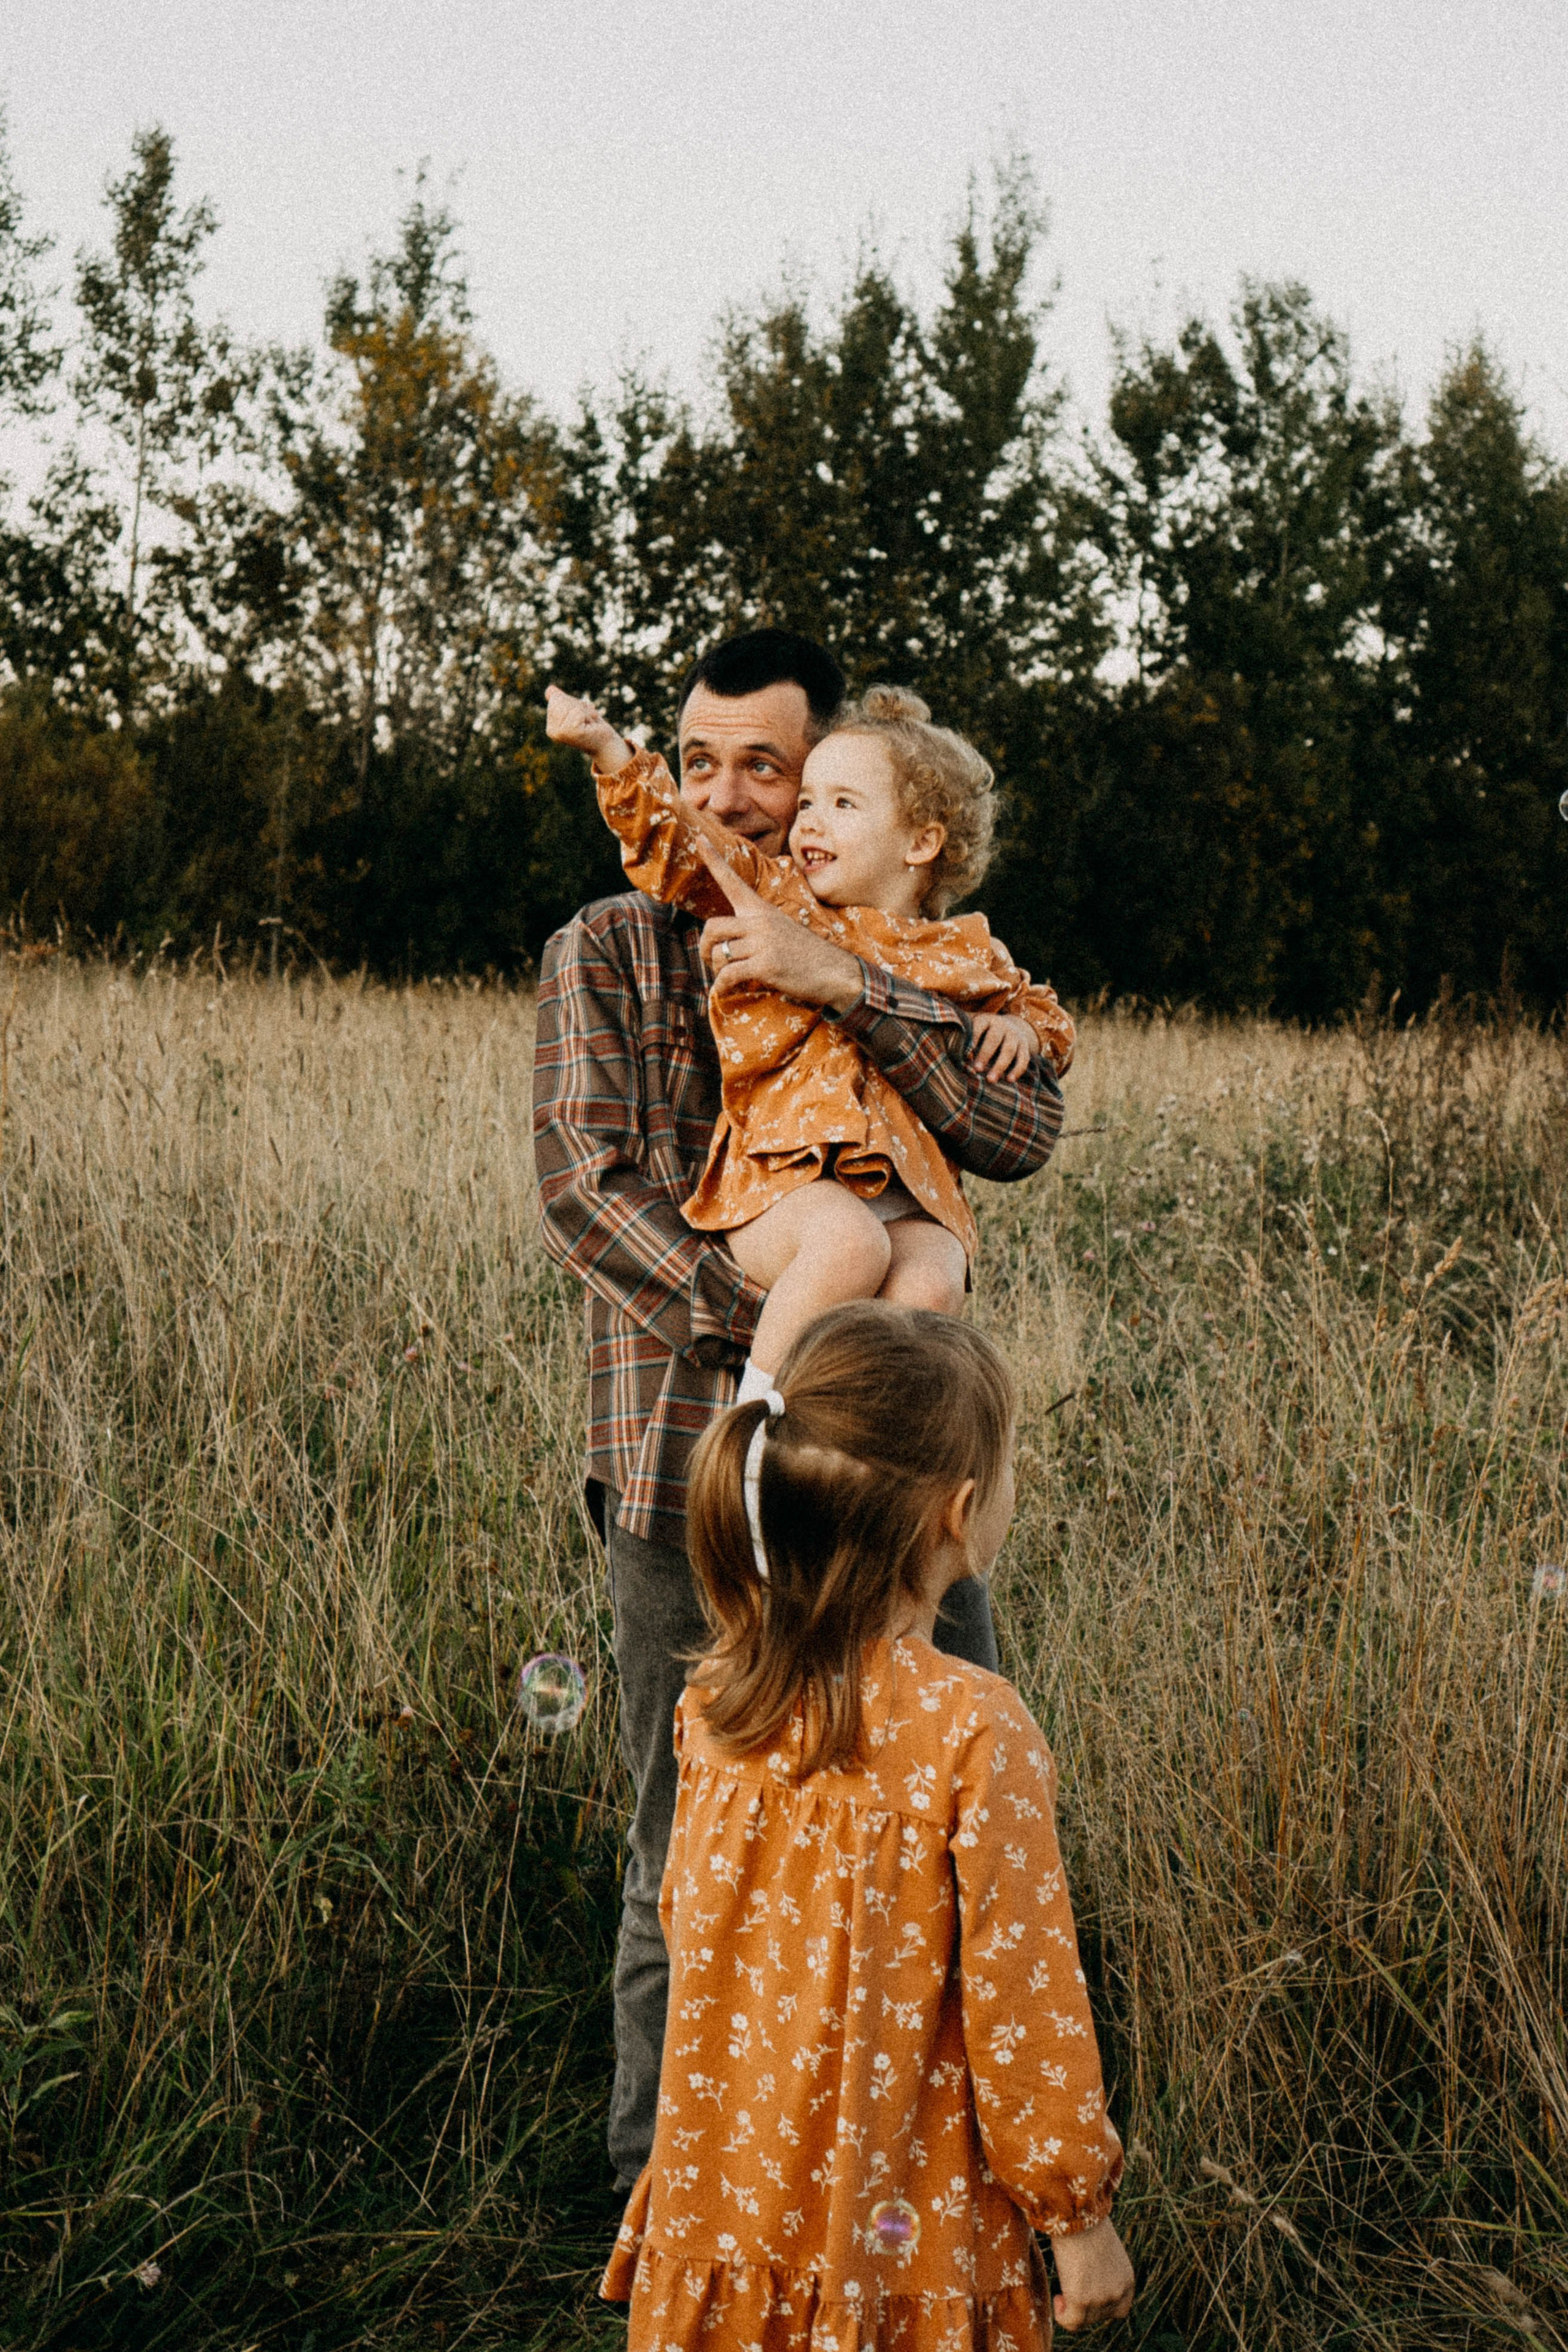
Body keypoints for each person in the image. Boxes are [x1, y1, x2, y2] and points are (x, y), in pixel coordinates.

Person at [532, 628, 1071, 2192]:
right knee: (684, 1846)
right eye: (698, 762)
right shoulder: (613, 945)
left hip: (897, 1488)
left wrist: (854, 988)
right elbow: (585, 1191)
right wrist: (796, 1322)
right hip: (681, 1463)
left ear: (834, 778)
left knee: (945, 1817)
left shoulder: (889, 943)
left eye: (766, 768)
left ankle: (921, 2180)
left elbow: (1021, 1126)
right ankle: (661, 2195)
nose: (729, 796)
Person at [601, 1301, 1136, 2347]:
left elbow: (695, 1942)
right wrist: (1076, 2216)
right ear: (961, 1512)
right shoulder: (976, 1729)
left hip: (730, 2203)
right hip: (903, 2229)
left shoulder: (719, 1704)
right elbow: (1025, 2001)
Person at [543, 679, 1074, 1397]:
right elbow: (685, 843)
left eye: (839, 804)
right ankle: (756, 1423)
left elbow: (1041, 1043)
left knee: (933, 1283)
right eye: (809, 805)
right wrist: (609, 750)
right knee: (848, 1247)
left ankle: (861, 1438)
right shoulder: (780, 898)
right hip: (787, 1183)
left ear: (921, 842)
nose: (810, 825)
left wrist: (1021, 1027)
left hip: (910, 1190)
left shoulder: (966, 952)